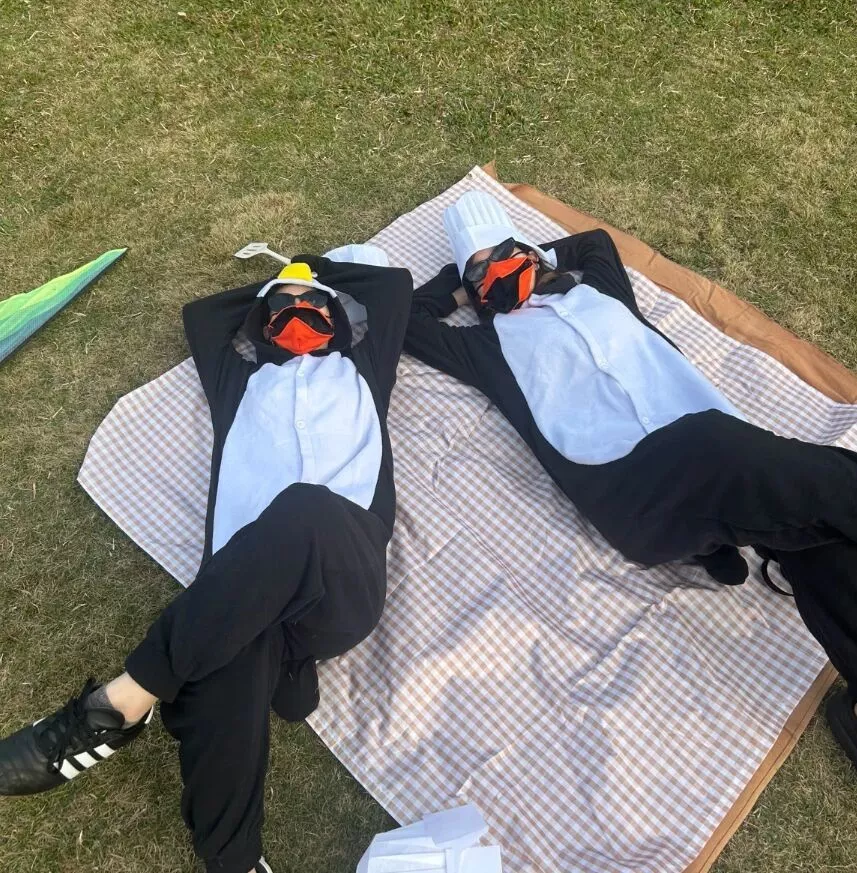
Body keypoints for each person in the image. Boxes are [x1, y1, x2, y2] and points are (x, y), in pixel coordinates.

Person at [404, 190, 857, 769]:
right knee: (811, 477)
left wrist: (533, 255)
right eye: (480, 273)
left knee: (822, 554)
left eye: (506, 256)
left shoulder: (600, 291)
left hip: (710, 456)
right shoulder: (483, 346)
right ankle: (719, 533)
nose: (496, 271)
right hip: (634, 487)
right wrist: (462, 284)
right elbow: (407, 323)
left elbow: (595, 243)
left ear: (533, 254)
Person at [0, 245, 414, 873]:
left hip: (342, 571)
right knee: (226, 665)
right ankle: (233, 859)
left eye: (312, 305)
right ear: (259, 324)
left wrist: (308, 267)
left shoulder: (364, 365)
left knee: (305, 506)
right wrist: (280, 285)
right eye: (280, 308)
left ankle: (117, 705)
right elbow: (205, 313)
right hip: (242, 591)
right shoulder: (238, 379)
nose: (297, 311)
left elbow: (391, 286)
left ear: (339, 316)